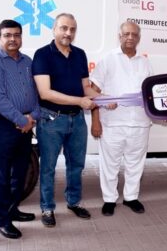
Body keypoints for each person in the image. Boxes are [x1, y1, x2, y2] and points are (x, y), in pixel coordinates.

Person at [32, 13, 99, 227]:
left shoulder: (80, 54)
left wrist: (105, 99)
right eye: (63, 28)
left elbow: (86, 87)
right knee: (48, 167)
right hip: (52, 120)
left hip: (77, 120)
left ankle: (74, 202)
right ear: (54, 29)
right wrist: (80, 101)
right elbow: (45, 93)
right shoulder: (42, 54)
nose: (68, 33)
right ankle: (47, 208)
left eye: (72, 29)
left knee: (76, 165)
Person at [90, 22, 152, 216]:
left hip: (140, 123)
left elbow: (152, 94)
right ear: (119, 36)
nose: (130, 38)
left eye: (134, 34)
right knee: (110, 164)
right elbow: (93, 90)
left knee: (136, 163)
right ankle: (109, 200)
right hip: (113, 123)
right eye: (126, 34)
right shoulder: (108, 59)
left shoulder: (145, 63)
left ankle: (131, 197)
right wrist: (95, 120)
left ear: (139, 38)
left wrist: (163, 113)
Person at [0, 20, 40, 239]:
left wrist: (33, 117)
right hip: (3, 125)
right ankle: (1, 220)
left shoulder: (27, 61)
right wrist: (21, 119)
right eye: (7, 35)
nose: (12, 39)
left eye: (16, 35)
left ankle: (13, 210)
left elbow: (35, 93)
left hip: (25, 125)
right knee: (0, 177)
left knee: (20, 173)